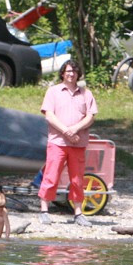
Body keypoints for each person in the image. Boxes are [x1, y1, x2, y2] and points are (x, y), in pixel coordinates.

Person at [37, 59, 97, 227]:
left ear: (78, 74)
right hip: (57, 142)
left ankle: (78, 213)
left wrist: (75, 130)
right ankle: (44, 211)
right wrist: (66, 131)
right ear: (62, 73)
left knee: (77, 179)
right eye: (68, 71)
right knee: (51, 175)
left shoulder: (86, 93)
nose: (71, 74)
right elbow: (49, 115)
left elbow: (91, 116)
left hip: (78, 143)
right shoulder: (53, 91)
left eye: (74, 71)